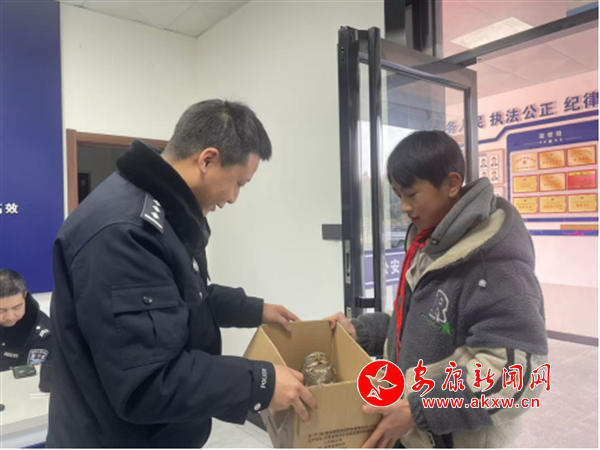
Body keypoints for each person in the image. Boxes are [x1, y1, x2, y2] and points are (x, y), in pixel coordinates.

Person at [48, 100, 317, 448]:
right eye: (238, 183)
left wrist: (255, 310)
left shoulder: (166, 213)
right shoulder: (124, 232)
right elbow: (149, 382)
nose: (234, 198)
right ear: (207, 160)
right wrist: (260, 382)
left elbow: (184, 298)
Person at [328, 130, 547, 448]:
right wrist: (359, 331)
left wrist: (421, 410)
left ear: (452, 184)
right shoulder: (429, 243)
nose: (404, 207)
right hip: (414, 428)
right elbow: (413, 321)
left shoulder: (494, 265)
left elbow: (514, 376)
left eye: (411, 194)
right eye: (398, 195)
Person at [0, 269, 52, 372]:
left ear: (25, 296)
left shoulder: (41, 337)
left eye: (17, 307)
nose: (10, 316)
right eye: (1, 310)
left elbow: (30, 379)